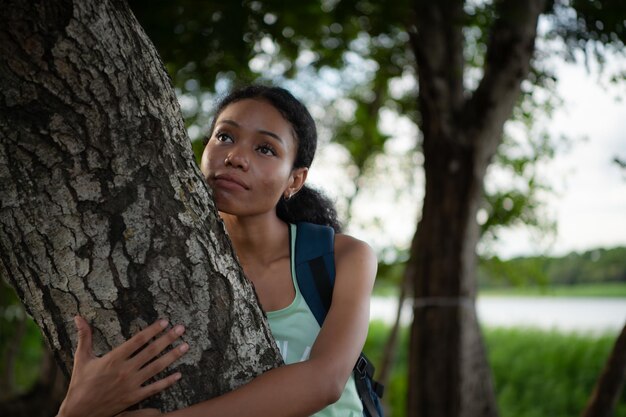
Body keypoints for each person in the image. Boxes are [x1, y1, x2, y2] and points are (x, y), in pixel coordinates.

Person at [57, 85, 377, 417]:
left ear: (294, 180)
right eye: (224, 137)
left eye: (265, 149)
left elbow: (325, 381)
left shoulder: (341, 258)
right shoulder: (158, 258)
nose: (235, 158)